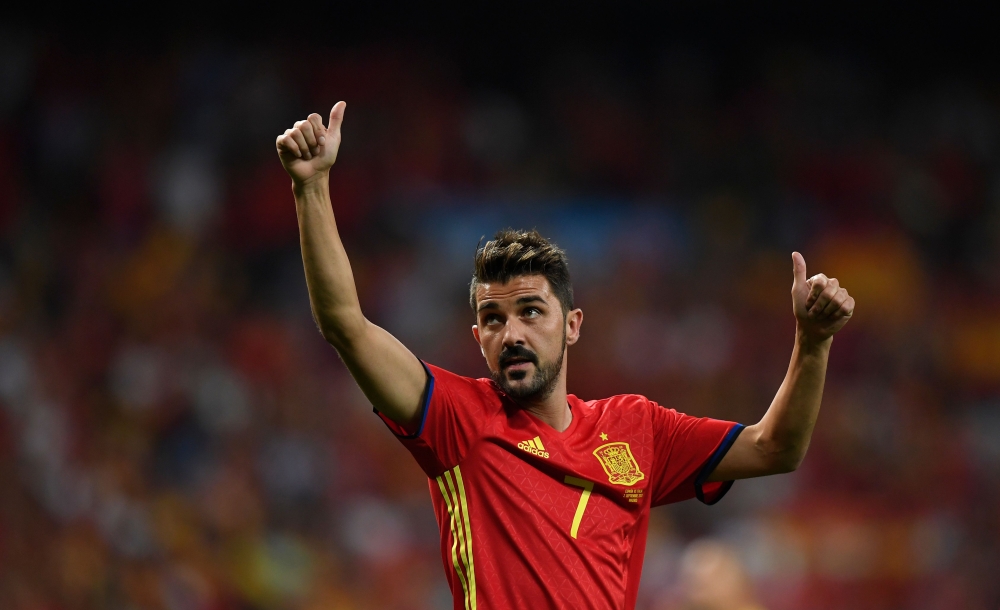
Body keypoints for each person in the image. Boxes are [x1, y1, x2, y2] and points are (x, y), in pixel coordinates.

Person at [275, 104, 855, 610]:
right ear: (477, 339)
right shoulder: (458, 421)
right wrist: (312, 187)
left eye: (531, 311)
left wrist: (813, 341)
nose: (512, 333)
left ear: (572, 325)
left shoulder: (638, 429)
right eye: (493, 320)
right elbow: (345, 325)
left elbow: (776, 447)